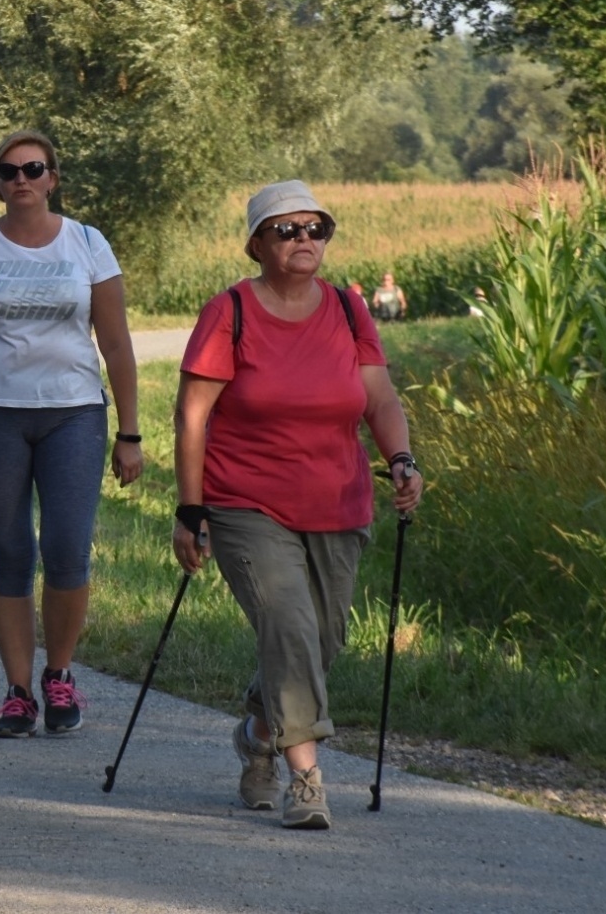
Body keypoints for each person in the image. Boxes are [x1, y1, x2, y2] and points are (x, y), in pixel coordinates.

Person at [172, 179, 424, 830]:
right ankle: (305, 776)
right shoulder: (230, 311)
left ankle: (258, 733)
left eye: (316, 229)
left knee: (323, 638)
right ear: (257, 242)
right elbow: (193, 414)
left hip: (339, 501)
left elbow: (380, 399)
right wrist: (190, 508)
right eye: (288, 229)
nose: (305, 239)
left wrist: (401, 457)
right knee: (288, 624)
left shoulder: (347, 309)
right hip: (244, 502)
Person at [0, 129, 142, 738]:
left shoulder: (87, 244)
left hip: (73, 413)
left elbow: (117, 341)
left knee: (68, 551)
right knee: (11, 554)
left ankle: (60, 674)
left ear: (52, 178)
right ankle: (19, 691)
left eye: (33, 169)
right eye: (8, 171)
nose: (21, 180)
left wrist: (130, 432)